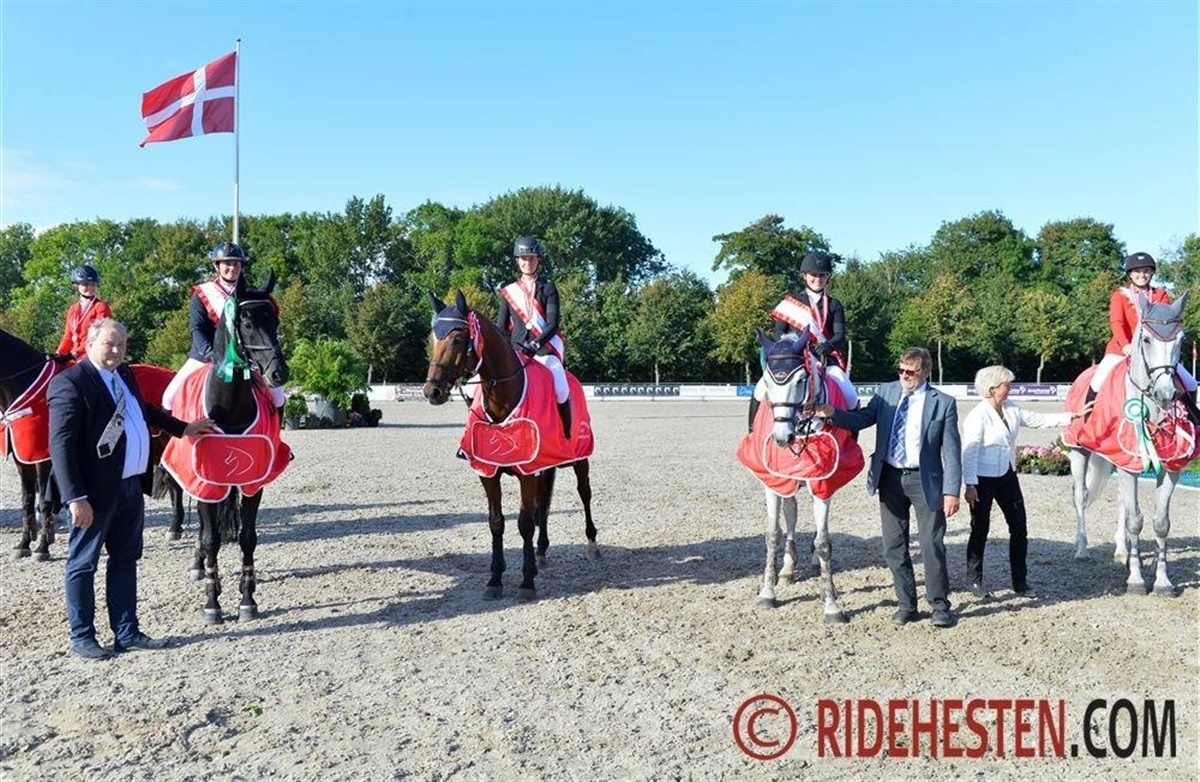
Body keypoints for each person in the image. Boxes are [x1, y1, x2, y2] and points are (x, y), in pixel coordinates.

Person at [48, 319, 214, 660]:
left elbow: (145, 410)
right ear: (90, 344)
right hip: (92, 493)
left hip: (130, 486)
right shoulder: (70, 383)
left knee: (125, 560)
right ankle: (82, 636)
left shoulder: (123, 374)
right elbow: (61, 446)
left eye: (121, 345)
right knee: (83, 563)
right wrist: (75, 498)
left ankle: (126, 632)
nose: (116, 351)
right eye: (109, 344)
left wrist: (184, 428)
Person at [808, 346, 961, 628]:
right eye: (901, 370)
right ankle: (907, 605)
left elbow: (952, 452)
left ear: (926, 372)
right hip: (889, 478)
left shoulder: (943, 403)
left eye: (911, 372)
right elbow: (862, 419)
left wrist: (952, 491)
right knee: (893, 547)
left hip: (926, 482)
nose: (904, 376)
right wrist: (832, 412)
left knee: (931, 546)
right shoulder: (886, 392)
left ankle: (940, 606)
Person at [962, 365, 1092, 600]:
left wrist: (1073, 415)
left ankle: (1020, 581)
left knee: (1019, 528)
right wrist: (969, 484)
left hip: (1007, 475)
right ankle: (974, 579)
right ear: (992, 389)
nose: (1010, 388)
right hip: (982, 479)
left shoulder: (1011, 408)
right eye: (1006, 385)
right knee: (980, 529)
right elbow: (969, 452)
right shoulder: (977, 415)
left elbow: (1038, 419)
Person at [161, 242, 285, 412]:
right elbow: (197, 328)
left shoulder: (250, 297)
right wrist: (210, 354)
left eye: (236, 264)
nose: (232, 268)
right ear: (216, 266)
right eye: (227, 263)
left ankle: (275, 429)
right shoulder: (203, 293)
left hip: (245, 358)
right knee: (169, 397)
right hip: (206, 356)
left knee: (278, 397)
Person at [1087, 252, 1199, 423]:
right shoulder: (1120, 295)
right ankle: (1087, 419)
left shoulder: (1160, 294)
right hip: (1121, 349)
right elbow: (1116, 323)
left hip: (1154, 350)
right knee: (1097, 381)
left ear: (1152, 273)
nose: (1142, 275)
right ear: (1130, 274)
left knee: (1190, 383)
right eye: (1137, 271)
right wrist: (1125, 345)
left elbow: (1165, 322)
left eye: (1146, 271)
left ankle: (1193, 420)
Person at [755, 252, 857, 420]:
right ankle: (753, 429)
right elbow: (778, 333)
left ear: (828, 277)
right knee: (759, 391)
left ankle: (851, 429)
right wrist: (792, 345)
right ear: (804, 276)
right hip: (794, 359)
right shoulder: (790, 303)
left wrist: (827, 345)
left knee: (850, 395)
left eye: (823, 275)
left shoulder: (834, 305)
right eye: (813, 275)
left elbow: (840, 335)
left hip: (823, 359)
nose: (818, 279)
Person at [496, 236, 572, 438]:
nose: (527, 262)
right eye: (523, 258)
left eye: (531, 257)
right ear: (517, 261)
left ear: (538, 259)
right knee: (475, 385)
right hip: (515, 351)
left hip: (543, 350)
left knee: (561, 388)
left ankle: (566, 433)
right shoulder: (508, 292)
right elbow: (500, 328)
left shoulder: (548, 288)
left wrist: (536, 344)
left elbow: (553, 324)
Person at [55, 264, 113, 359]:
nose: (90, 287)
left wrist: (76, 353)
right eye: (85, 284)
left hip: (92, 354)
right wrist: (59, 353)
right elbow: (68, 337)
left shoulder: (101, 307)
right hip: (74, 355)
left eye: (93, 284)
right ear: (76, 286)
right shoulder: (72, 310)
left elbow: (98, 335)